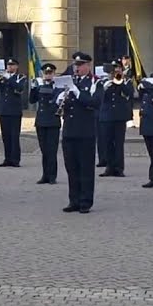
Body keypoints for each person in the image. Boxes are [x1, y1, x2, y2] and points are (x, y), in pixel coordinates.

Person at [60, 52, 98, 213]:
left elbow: (94, 102)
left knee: (86, 168)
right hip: (69, 131)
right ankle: (73, 200)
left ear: (88, 66)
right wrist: (60, 98)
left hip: (85, 132)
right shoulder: (70, 82)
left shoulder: (95, 82)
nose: (77, 68)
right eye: (75, 65)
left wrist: (77, 93)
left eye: (80, 65)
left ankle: (85, 201)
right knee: (72, 168)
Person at [96, 60, 134, 177]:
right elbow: (98, 97)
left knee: (118, 143)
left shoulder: (126, 81)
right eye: (113, 69)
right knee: (107, 143)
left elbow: (129, 93)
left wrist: (119, 80)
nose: (115, 71)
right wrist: (106, 85)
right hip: (106, 116)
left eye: (117, 68)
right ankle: (109, 167)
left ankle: (119, 168)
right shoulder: (102, 81)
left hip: (119, 116)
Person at [29, 62, 63, 185]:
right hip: (41, 121)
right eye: (46, 73)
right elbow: (32, 100)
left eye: (50, 73)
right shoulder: (39, 86)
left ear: (54, 74)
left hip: (53, 121)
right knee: (44, 151)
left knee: (52, 150)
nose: (48, 75)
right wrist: (33, 88)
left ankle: (52, 176)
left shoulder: (58, 87)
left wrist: (47, 85)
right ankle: (45, 175)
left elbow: (56, 98)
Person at [0, 58, 27, 168]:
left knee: (14, 136)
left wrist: (9, 78)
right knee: (5, 136)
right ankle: (7, 158)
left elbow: (19, 88)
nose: (10, 67)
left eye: (12, 65)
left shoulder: (20, 77)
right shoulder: (3, 77)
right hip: (4, 110)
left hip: (14, 111)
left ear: (16, 66)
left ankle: (15, 159)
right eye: (8, 65)